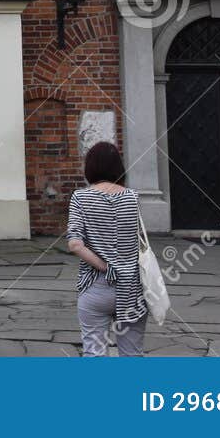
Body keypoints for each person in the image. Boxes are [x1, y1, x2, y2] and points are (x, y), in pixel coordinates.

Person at [65, 141, 147, 356]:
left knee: (94, 353)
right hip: (132, 288)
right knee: (132, 355)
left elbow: (74, 244)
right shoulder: (132, 197)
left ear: (90, 167)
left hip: (96, 287)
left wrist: (106, 267)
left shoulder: (80, 197)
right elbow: (137, 240)